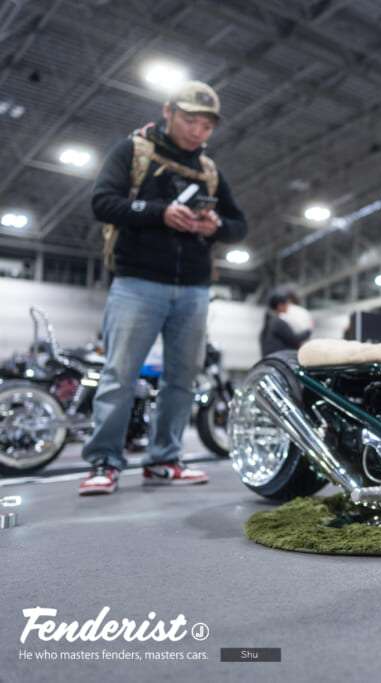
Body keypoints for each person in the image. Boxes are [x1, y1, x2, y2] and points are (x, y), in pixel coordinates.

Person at [79, 81, 248, 495]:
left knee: (182, 378)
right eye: (190, 120)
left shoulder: (210, 172)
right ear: (168, 112)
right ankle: (104, 460)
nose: (198, 132)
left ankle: (164, 459)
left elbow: (240, 226)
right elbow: (103, 202)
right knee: (120, 373)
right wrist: (159, 213)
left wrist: (216, 226)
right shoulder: (132, 151)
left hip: (192, 290)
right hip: (137, 283)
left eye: (207, 125)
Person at [260, 288, 313, 357]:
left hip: (270, 359)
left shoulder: (269, 320)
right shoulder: (278, 322)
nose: (288, 306)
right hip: (279, 358)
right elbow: (294, 339)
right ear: (280, 306)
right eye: (287, 303)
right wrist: (308, 331)